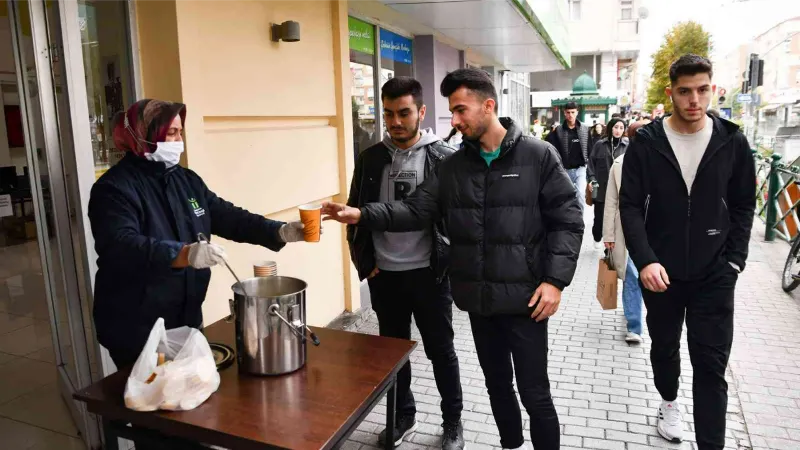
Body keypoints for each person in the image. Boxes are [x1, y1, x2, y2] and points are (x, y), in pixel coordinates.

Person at [323, 68, 584, 450]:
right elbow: (414, 210)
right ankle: (510, 444)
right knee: (497, 387)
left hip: (528, 301)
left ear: (489, 105)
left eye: (461, 110)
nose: (455, 121)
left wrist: (555, 281)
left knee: (535, 393)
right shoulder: (453, 167)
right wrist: (361, 215)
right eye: (452, 112)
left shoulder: (538, 155)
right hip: (478, 303)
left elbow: (569, 219)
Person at [89, 99, 308, 369]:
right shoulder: (113, 189)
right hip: (136, 325)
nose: (178, 140)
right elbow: (120, 245)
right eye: (170, 133)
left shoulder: (186, 181)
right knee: (149, 402)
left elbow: (227, 216)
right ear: (144, 135)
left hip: (185, 317)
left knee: (187, 398)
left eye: (180, 132)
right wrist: (184, 254)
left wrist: (279, 231)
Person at [619, 54, 756, 449]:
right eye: (685, 91)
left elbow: (745, 203)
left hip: (715, 273)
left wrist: (733, 261)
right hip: (660, 272)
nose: (694, 100)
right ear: (671, 93)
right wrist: (644, 259)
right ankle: (668, 402)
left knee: (711, 366)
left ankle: (711, 443)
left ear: (712, 88)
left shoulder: (732, 140)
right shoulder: (647, 142)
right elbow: (629, 203)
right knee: (665, 350)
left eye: (702, 90)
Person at [347, 77, 464, 450]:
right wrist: (366, 265)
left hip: (430, 274)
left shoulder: (443, 157)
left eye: (403, 113)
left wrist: (450, 265)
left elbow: (457, 219)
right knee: (393, 355)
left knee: (441, 351)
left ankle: (453, 422)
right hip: (386, 276)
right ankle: (402, 416)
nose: (395, 121)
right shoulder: (370, 158)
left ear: (421, 112)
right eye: (388, 114)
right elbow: (356, 215)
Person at [602, 120, 648, 344]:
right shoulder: (619, 165)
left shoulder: (663, 164)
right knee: (632, 276)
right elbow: (611, 202)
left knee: (645, 277)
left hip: (655, 232)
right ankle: (634, 325)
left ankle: (641, 318)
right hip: (626, 231)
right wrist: (608, 235)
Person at [587, 118, 627, 248]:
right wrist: (592, 179)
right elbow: (591, 164)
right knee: (599, 218)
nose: (618, 130)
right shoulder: (600, 145)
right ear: (610, 128)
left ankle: (609, 246)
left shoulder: (627, 146)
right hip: (601, 188)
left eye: (621, 128)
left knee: (615, 220)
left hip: (619, 188)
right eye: (616, 127)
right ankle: (597, 236)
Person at [546, 101, 590, 212]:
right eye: (568, 112)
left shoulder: (585, 129)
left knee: (580, 194)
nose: (570, 115)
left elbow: (590, 148)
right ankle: (567, 219)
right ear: (564, 113)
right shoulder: (559, 130)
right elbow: (549, 144)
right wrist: (552, 132)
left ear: (577, 113)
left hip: (581, 168)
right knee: (565, 196)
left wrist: (591, 172)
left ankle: (580, 219)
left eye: (573, 112)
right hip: (565, 169)